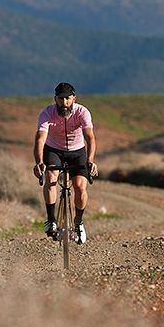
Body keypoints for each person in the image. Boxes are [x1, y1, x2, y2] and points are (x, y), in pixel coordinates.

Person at [33, 82, 98, 244]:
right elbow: (40, 139)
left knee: (79, 186)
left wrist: (90, 161)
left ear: (74, 98)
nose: (64, 103)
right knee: (51, 177)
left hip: (77, 152)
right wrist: (39, 162)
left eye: (68, 99)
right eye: (60, 99)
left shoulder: (82, 112)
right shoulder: (47, 113)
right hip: (54, 150)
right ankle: (51, 220)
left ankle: (79, 222)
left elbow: (90, 137)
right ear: (55, 99)